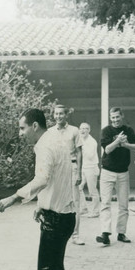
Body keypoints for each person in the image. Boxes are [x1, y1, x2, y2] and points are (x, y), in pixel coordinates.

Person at [0, 108, 94, 270]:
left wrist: (14, 196)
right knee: (54, 268)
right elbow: (55, 180)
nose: (20, 133)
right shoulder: (54, 139)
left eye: (22, 128)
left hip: (58, 217)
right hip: (60, 213)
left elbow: (42, 179)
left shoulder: (45, 145)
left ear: (34, 126)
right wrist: (41, 205)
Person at [96, 107, 135, 245]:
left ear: (122, 116)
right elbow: (107, 149)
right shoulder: (106, 131)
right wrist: (117, 141)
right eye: (112, 117)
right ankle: (105, 234)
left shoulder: (129, 130)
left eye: (117, 117)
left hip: (123, 173)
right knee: (105, 203)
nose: (115, 120)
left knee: (123, 205)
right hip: (107, 171)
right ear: (110, 118)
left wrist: (125, 143)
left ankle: (121, 233)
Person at [48, 104, 84, 245]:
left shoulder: (74, 131)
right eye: (56, 114)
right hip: (56, 169)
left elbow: (80, 152)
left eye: (61, 114)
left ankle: (75, 235)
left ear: (65, 115)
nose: (58, 116)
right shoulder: (50, 132)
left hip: (72, 167)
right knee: (56, 201)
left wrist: (79, 172)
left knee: (74, 202)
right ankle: (58, 234)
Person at [79, 122, 100, 218]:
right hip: (83, 167)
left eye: (86, 128)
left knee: (92, 191)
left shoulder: (92, 141)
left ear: (89, 130)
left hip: (91, 168)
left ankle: (95, 211)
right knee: (79, 188)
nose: (83, 130)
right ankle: (83, 208)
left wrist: (81, 148)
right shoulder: (80, 140)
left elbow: (90, 155)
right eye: (81, 128)